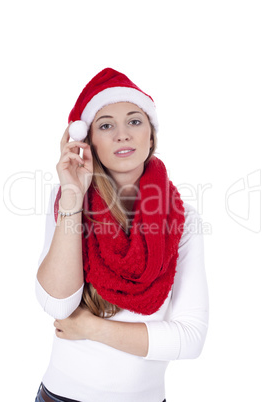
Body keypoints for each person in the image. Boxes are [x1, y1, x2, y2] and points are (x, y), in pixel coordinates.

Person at [35, 67, 209, 402]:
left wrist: (90, 328)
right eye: (105, 125)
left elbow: (190, 339)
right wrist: (73, 196)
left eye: (134, 121)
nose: (122, 134)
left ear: (151, 136)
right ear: (88, 143)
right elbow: (57, 302)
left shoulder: (183, 219)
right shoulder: (68, 199)